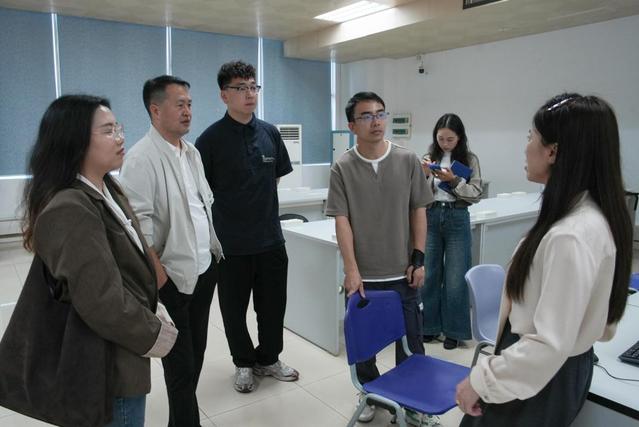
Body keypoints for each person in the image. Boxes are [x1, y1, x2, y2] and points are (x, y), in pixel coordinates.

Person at [455, 93, 633, 427]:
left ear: (552, 151)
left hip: (536, 377)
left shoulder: (570, 235)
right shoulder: (591, 215)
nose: (525, 148)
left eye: (530, 137)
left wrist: (480, 382)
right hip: (555, 370)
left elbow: (548, 344)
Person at [21, 94, 178, 426]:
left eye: (118, 128)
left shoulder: (107, 189)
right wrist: (154, 332)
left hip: (124, 350)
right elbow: (102, 301)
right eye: (108, 131)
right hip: (106, 365)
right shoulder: (70, 207)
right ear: (75, 140)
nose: (120, 137)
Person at [119, 75, 223, 427]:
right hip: (172, 279)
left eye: (189, 104)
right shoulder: (141, 159)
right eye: (180, 104)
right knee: (180, 366)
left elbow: (201, 206)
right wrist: (161, 280)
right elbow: (137, 229)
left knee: (195, 356)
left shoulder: (191, 152)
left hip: (203, 270)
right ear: (155, 109)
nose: (188, 111)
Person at [326, 91, 433, 425]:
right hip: (365, 275)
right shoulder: (343, 167)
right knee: (365, 345)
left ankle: (412, 400)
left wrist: (419, 258)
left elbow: (418, 210)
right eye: (367, 116)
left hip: (403, 271)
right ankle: (370, 392)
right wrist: (351, 270)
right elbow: (342, 220)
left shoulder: (407, 160)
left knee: (412, 344)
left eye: (380, 114)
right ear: (352, 126)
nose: (376, 121)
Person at [195, 60, 299, 393]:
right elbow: (201, 192)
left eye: (253, 87)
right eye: (241, 88)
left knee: (272, 308)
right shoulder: (209, 140)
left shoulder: (270, 133)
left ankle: (269, 359)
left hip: (270, 240)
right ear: (224, 95)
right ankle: (243, 362)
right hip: (231, 245)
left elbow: (276, 177)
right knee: (233, 310)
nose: (250, 94)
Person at [420, 113, 483, 350]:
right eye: (440, 139)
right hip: (431, 215)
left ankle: (454, 331)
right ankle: (428, 326)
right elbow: (417, 193)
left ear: (460, 138)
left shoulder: (470, 159)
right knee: (429, 274)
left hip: (457, 216)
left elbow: (476, 194)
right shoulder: (429, 157)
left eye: (450, 139)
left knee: (456, 277)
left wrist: (454, 180)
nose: (445, 144)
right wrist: (424, 175)